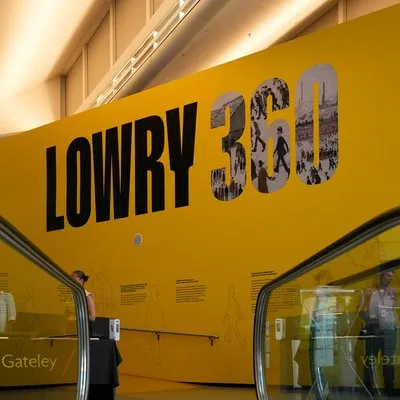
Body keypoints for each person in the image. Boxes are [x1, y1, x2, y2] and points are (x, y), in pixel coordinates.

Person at [359, 270, 398, 396]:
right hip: (374, 329)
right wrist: (370, 320)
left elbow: (393, 310)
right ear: (380, 276)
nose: (390, 278)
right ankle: (368, 389)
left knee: (389, 359)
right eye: (387, 276)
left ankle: (389, 389)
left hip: (389, 329)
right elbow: (360, 310)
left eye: (391, 276)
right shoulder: (369, 292)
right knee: (370, 359)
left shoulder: (393, 292)